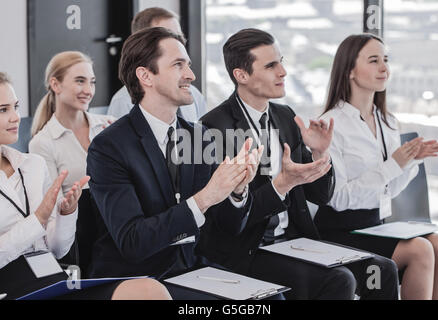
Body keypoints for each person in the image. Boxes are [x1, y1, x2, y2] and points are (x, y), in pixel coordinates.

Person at [197, 28, 402, 300]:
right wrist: (281, 186)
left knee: (382, 269)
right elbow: (229, 221)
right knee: (338, 280)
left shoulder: (284, 116)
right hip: (247, 248)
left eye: (281, 61)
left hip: (293, 241)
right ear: (241, 75)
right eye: (271, 65)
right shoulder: (214, 127)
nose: (283, 72)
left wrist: (319, 154)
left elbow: (320, 195)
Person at [87, 27, 262, 300]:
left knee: (271, 301)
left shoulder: (200, 136)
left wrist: (238, 190)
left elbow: (228, 229)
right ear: (145, 76)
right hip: (138, 277)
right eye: (178, 65)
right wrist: (204, 198)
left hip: (192, 270)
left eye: (188, 65)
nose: (191, 75)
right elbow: (133, 242)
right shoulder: (109, 147)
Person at [0, 72, 171, 300]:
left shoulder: (32, 165)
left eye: (16, 107)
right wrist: (38, 219)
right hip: (11, 288)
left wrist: (66, 213)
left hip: (54, 279)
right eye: (3, 110)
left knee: (150, 290)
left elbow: (58, 249)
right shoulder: (41, 146)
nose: (16, 117)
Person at [314, 33, 438, 300]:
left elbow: (387, 190)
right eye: (374, 60)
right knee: (420, 250)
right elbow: (338, 198)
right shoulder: (330, 124)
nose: (384, 68)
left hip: (375, 224)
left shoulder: (386, 120)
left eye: (386, 60)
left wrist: (411, 162)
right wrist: (394, 164)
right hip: (340, 230)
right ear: (350, 70)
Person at [28, 51, 115, 272]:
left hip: (117, 229)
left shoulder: (110, 125)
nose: (88, 90)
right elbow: (54, 211)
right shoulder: (42, 143)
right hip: (81, 243)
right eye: (80, 81)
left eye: (92, 82)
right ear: (55, 84)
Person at [108, 7, 207, 122]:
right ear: (142, 42)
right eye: (164, 35)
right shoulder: (123, 101)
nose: (175, 41)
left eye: (178, 36)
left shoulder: (193, 95)